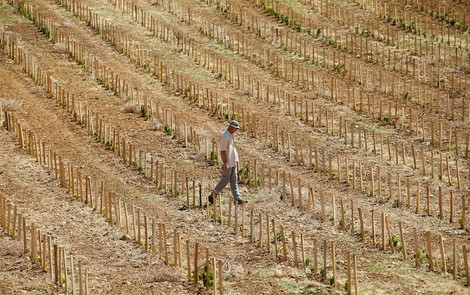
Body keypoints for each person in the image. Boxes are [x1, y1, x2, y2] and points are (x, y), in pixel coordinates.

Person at [208, 120, 246, 205]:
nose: (236, 130)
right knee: (224, 181)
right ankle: (212, 196)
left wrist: (235, 160)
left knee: (234, 181)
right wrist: (225, 164)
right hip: (228, 163)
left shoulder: (230, 135)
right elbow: (222, 151)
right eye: (235, 128)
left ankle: (237, 199)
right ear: (231, 127)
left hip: (232, 162)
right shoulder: (224, 136)